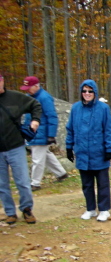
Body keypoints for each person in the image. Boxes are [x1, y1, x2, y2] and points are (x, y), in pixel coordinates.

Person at [66, 79, 111, 222]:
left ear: (94, 92)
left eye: (90, 91)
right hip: (82, 152)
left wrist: (109, 149)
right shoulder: (76, 108)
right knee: (86, 184)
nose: (87, 94)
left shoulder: (103, 108)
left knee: (102, 183)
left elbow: (109, 130)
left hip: (99, 152)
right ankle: (90, 209)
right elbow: (70, 129)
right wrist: (69, 147)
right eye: (84, 91)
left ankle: (104, 209)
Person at [0, 73, 41, 225]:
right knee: (2, 184)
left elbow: (35, 105)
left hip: (15, 146)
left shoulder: (15, 97)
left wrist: (35, 120)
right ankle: (10, 212)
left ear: (2, 81)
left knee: (22, 181)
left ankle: (27, 209)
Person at [20, 76, 68, 191]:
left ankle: (35, 183)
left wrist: (51, 135)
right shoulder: (29, 97)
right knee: (45, 154)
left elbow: (52, 116)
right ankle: (61, 173)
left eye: (29, 87)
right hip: (33, 132)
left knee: (37, 159)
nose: (27, 90)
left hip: (42, 133)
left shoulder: (45, 98)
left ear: (36, 86)